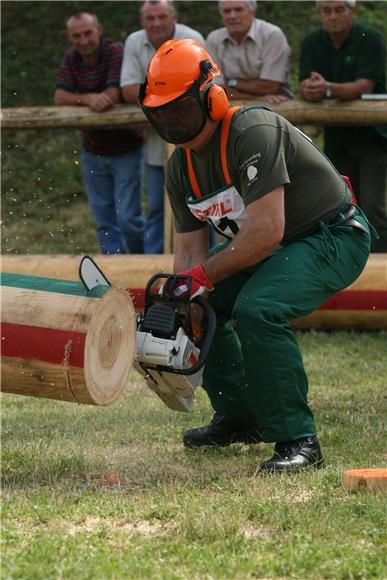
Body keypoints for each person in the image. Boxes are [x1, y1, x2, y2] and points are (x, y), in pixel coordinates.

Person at [138, 39, 373, 473]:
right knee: (201, 306)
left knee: (258, 308)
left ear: (212, 96)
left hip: (331, 235)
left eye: (179, 107)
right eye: (161, 110)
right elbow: (190, 251)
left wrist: (199, 277)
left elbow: (267, 231)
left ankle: (298, 440)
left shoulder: (251, 132)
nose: (170, 119)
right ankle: (238, 415)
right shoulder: (180, 168)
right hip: (272, 245)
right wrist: (180, 302)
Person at [299, 0, 387, 253]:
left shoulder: (370, 38)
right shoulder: (312, 42)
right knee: (341, 207)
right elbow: (306, 83)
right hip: (336, 137)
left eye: (340, 9)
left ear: (353, 11)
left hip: (373, 136)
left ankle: (379, 274)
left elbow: (366, 85)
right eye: (326, 11)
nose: (333, 16)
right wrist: (309, 89)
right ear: (319, 14)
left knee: (374, 209)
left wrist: (326, 88)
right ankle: (348, 264)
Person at [55, 10, 145, 254]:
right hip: (92, 149)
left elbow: (114, 94)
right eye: (77, 36)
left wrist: (91, 99)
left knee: (128, 218)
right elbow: (59, 96)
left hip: (126, 147)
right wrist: (88, 99)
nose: (83, 41)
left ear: (99, 30)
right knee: (104, 219)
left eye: (87, 33)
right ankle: (112, 267)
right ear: (69, 36)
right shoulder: (71, 57)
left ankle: (139, 262)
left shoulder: (114, 51)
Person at [120, 0, 204, 253]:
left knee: (204, 206)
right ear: (142, 21)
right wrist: (172, 93)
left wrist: (155, 94)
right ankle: (153, 267)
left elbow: (205, 86)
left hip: (198, 138)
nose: (156, 23)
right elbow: (126, 91)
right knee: (157, 207)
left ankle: (210, 264)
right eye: (150, 18)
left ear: (174, 17)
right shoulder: (135, 41)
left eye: (162, 17)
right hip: (159, 140)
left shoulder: (193, 39)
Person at [206, 0, 293, 105]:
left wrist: (231, 82)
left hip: (276, 104)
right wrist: (256, 98)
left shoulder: (271, 35)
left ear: (253, 13)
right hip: (240, 104)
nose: (232, 16)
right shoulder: (213, 40)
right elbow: (215, 90)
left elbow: (271, 87)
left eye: (238, 10)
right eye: (227, 11)